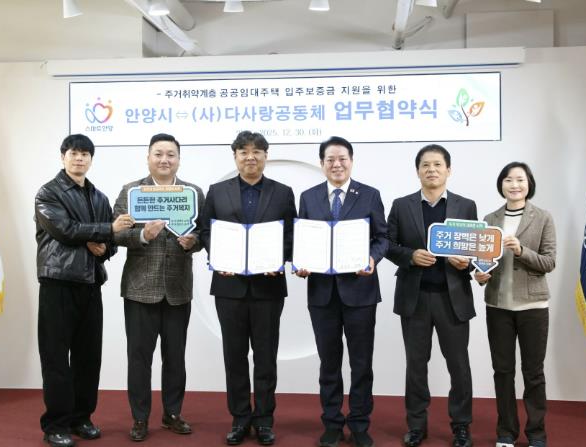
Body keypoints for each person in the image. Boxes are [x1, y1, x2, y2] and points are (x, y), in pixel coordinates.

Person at [200, 131, 297, 446]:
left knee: (266, 357)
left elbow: (292, 235)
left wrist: (279, 258)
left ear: (266, 156)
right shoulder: (217, 192)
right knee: (235, 357)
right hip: (229, 286)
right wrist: (218, 256)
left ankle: (265, 420)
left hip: (268, 287)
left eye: (257, 151)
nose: (250, 157)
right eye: (243, 151)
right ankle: (240, 418)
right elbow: (206, 231)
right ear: (235, 157)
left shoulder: (283, 193)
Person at [35, 134, 132, 447]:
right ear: (63, 156)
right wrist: (104, 231)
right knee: (55, 358)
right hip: (58, 282)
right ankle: (56, 425)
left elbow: (111, 242)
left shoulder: (99, 197)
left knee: (89, 357)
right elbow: (64, 229)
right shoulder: (48, 193)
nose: (79, 159)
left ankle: (82, 417)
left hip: (91, 283)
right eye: (74, 153)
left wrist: (104, 246)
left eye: (85, 154)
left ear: (91, 159)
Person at [295, 136, 388, 447]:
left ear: (351, 161)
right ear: (322, 163)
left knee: (361, 363)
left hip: (360, 292)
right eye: (330, 159)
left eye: (342, 159)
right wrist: (301, 262)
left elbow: (382, 237)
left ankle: (360, 423)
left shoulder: (370, 195)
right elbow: (303, 239)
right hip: (322, 293)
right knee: (329, 363)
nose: (336, 164)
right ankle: (332, 422)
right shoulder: (308, 197)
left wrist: (372, 258)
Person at [112, 133, 205, 442]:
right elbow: (115, 233)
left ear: (178, 159)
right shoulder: (131, 192)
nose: (165, 159)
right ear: (148, 157)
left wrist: (194, 242)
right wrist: (142, 236)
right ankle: (140, 418)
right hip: (140, 289)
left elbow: (204, 232)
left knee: (175, 357)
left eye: (170, 154)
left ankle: (172, 413)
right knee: (139, 358)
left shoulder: (193, 193)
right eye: (159, 154)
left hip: (178, 288)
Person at [386, 144, 477, 447]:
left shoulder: (466, 206)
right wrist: (411, 256)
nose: (432, 169)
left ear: (448, 170)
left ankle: (461, 426)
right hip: (416, 299)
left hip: (453, 299)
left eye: (438, 164)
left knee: (459, 366)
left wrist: (465, 263)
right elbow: (387, 244)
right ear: (418, 171)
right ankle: (416, 425)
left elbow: (474, 248)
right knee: (415, 366)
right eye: (425, 165)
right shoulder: (401, 205)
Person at [473, 162, 555, 447]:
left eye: (520, 179)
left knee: (533, 373)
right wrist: (479, 275)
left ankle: (537, 434)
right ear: (501, 185)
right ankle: (506, 432)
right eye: (508, 180)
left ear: (529, 184)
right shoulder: (490, 218)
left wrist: (521, 251)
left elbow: (549, 262)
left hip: (533, 306)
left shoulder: (542, 217)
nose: (514, 185)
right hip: (498, 307)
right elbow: (483, 261)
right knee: (503, 371)